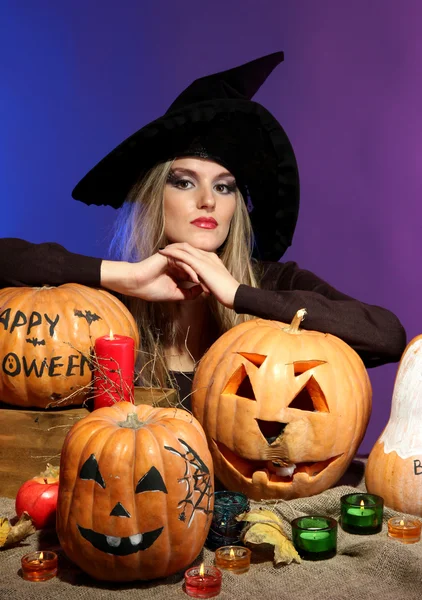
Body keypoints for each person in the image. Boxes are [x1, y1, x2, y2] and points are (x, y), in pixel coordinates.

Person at [0, 52, 406, 407]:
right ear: (156, 196)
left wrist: (238, 295)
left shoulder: (273, 283)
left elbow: (386, 335)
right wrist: (126, 277)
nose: (208, 200)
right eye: (184, 181)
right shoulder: (107, 305)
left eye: (224, 187)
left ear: (235, 207)